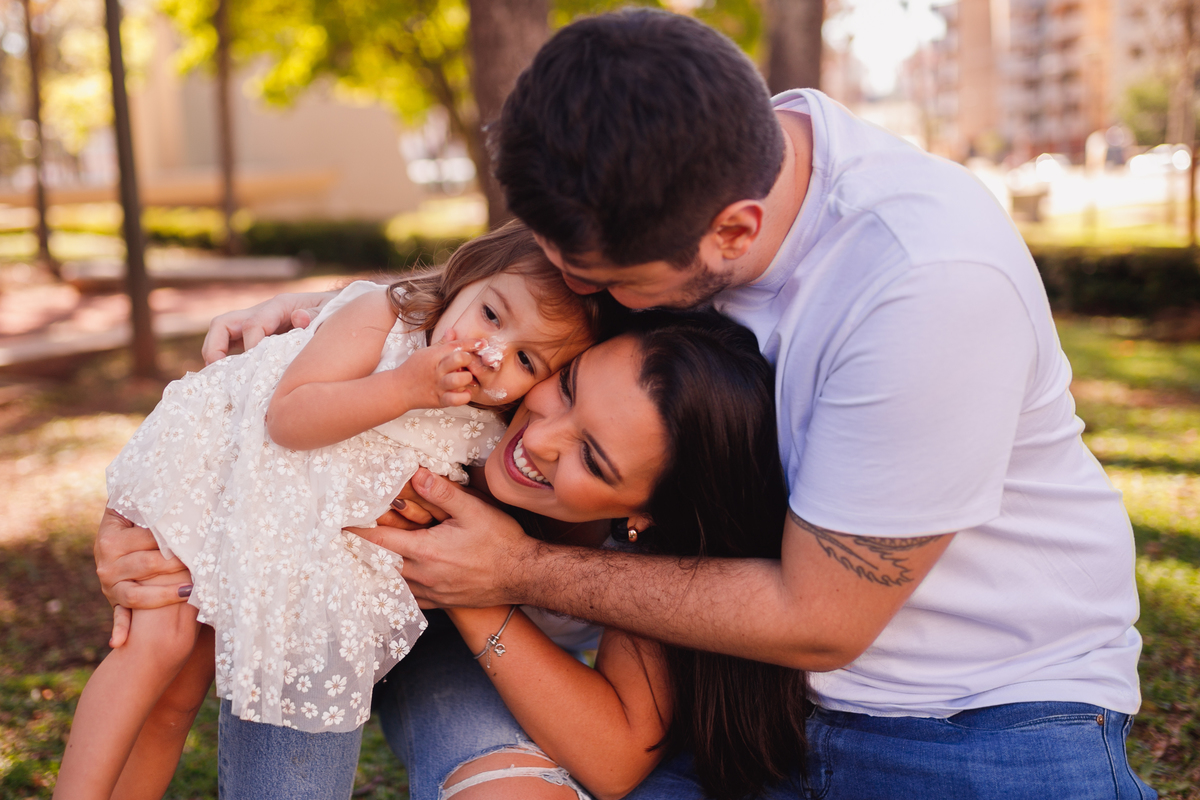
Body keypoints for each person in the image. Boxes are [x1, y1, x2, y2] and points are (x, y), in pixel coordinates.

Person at [100, 9, 1153, 800]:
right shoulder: (665, 191)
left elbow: (820, 616)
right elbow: (454, 315)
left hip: (983, 715)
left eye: (598, 274)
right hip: (744, 711)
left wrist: (509, 572)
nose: (576, 294)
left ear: (733, 237)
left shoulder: (922, 286)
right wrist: (335, 326)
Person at [60, 221, 604, 800]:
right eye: (492, 315)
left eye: (526, 359)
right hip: (223, 473)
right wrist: (404, 387)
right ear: (467, 277)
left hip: (284, 533)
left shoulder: (485, 419)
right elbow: (287, 419)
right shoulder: (382, 318)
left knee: (180, 695)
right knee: (159, 646)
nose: (490, 354)